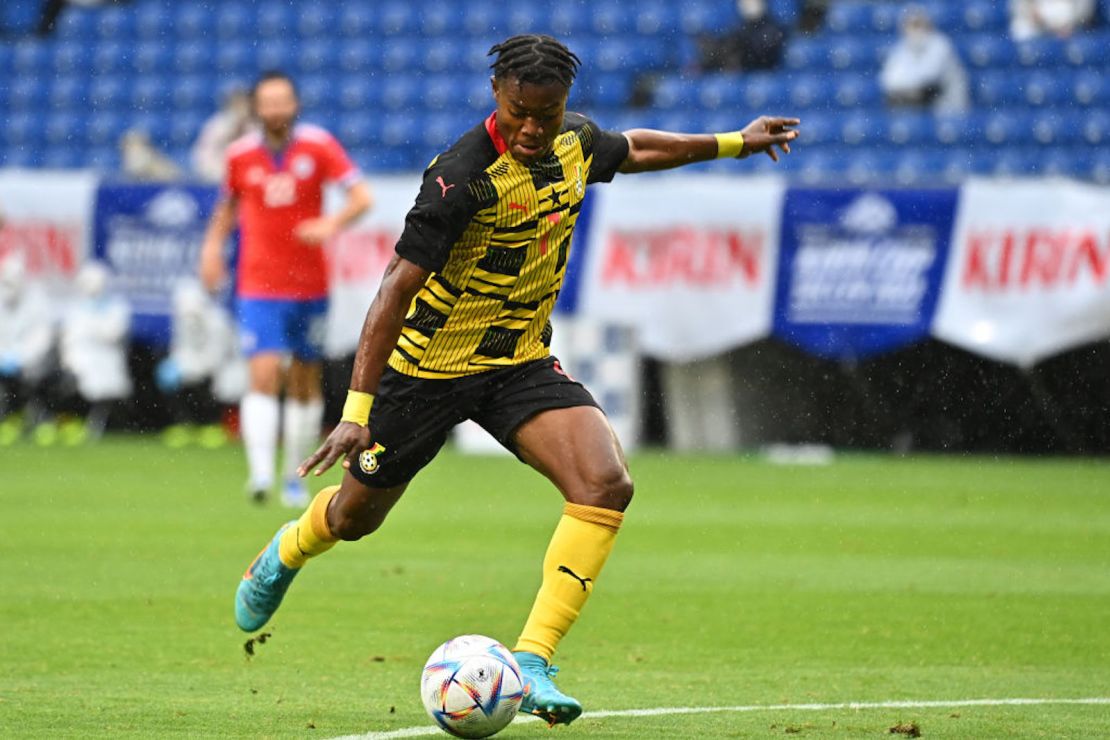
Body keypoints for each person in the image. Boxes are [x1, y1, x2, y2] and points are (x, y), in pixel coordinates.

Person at [232, 35, 798, 727]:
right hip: (429, 370)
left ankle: (531, 660)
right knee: (352, 520)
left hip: (516, 361)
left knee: (606, 483)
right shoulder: (459, 177)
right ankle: (285, 551)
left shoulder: (575, 143)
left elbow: (637, 149)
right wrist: (357, 409)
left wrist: (734, 142)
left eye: (549, 113)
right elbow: (392, 294)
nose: (534, 128)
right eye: (521, 111)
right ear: (498, 93)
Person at [199, 70, 373, 507]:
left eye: (282, 101)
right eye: (268, 102)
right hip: (258, 283)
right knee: (262, 373)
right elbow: (227, 208)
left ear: (294, 105)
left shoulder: (318, 145)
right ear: (257, 108)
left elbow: (361, 197)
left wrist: (331, 223)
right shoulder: (240, 155)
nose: (275, 109)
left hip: (310, 283)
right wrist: (212, 250)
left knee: (303, 380)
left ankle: (293, 473)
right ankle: (259, 476)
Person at [57, 261, 132, 442]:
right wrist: (69, 359)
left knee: (102, 393)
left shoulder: (117, 308)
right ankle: (71, 423)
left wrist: (93, 324)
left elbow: (112, 334)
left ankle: (96, 426)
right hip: (81, 361)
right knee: (69, 386)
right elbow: (69, 338)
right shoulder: (75, 309)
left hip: (107, 361)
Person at [0, 252, 55, 445]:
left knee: (37, 382)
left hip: (32, 361)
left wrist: (21, 357)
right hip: (5, 361)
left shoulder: (37, 300)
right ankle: (8, 420)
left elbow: (42, 336)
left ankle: (42, 422)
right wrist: (4, 356)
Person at [880, 6, 969, 113]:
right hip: (917, 107)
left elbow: (929, 77)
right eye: (911, 25)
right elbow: (889, 80)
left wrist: (907, 89)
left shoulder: (940, 44)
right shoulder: (902, 48)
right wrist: (910, 91)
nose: (914, 30)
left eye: (918, 24)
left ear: (928, 25)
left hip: (946, 107)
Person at [699, 0, 787, 72]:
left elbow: (763, 52)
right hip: (744, 74)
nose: (748, 4)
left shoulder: (771, 28)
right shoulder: (740, 28)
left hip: (766, 72)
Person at [191, 87, 254, 184]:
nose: (241, 109)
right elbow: (202, 155)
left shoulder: (255, 127)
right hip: (217, 178)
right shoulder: (217, 125)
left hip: (248, 179)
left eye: (244, 104)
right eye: (238, 104)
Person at [1010, 0, 1096, 40]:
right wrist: (1031, 14)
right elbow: (1018, 7)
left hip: (1070, 29)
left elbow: (1085, 11)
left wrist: (1070, 23)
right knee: (1021, 30)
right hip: (1037, 26)